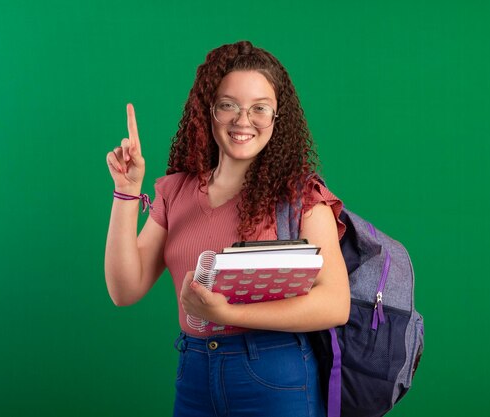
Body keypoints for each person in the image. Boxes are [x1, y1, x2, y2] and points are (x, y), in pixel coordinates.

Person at [104, 40, 349, 417]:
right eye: (228, 105)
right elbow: (124, 289)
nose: (243, 120)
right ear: (209, 111)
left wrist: (229, 315)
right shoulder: (175, 191)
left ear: (276, 119)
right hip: (195, 373)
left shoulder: (301, 197)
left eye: (259, 109)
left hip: (274, 375)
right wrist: (127, 191)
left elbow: (335, 304)